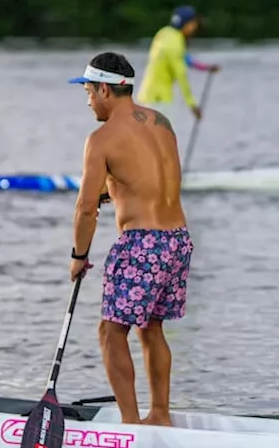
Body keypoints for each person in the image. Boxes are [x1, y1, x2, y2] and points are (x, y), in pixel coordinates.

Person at [67, 51, 194, 427]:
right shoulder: (162, 122)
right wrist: (116, 192)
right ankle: (160, 415)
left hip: (141, 244)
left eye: (89, 91)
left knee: (110, 331)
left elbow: (85, 209)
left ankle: (130, 425)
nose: (88, 99)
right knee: (151, 328)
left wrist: (79, 255)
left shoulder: (100, 139)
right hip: (178, 239)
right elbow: (154, 180)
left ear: (105, 89)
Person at [137, 5, 220, 122]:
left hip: (145, 97)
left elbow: (183, 58)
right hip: (159, 101)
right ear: (188, 24)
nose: (195, 28)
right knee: (163, 139)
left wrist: (205, 67)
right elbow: (181, 75)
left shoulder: (164, 33)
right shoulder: (176, 42)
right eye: (194, 23)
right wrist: (192, 105)